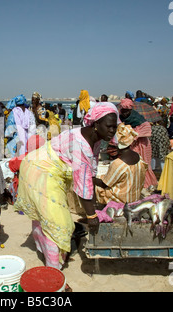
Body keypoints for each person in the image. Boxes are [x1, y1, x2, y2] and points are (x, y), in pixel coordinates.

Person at [14, 103, 119, 270]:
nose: (113, 130)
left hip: (47, 168)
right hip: (40, 169)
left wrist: (96, 186)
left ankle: (45, 250)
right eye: (109, 126)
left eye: (115, 126)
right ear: (96, 124)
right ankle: (53, 269)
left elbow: (89, 173)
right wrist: (91, 216)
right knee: (60, 222)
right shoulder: (82, 143)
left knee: (47, 215)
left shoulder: (96, 139)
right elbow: (83, 184)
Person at [95, 123, 147, 205]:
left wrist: (91, 179)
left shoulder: (118, 163)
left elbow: (104, 184)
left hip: (122, 200)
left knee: (97, 186)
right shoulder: (138, 157)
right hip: (134, 196)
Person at [118, 98, 157, 190]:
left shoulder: (137, 118)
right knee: (132, 164)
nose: (124, 113)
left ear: (130, 110)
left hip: (141, 144)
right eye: (123, 111)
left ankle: (145, 184)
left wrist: (135, 135)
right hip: (130, 145)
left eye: (127, 111)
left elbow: (147, 128)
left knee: (143, 164)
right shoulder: (121, 118)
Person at [8, 135, 46, 205]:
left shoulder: (23, 158)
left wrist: (17, 152)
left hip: (25, 190)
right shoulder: (47, 159)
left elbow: (12, 166)